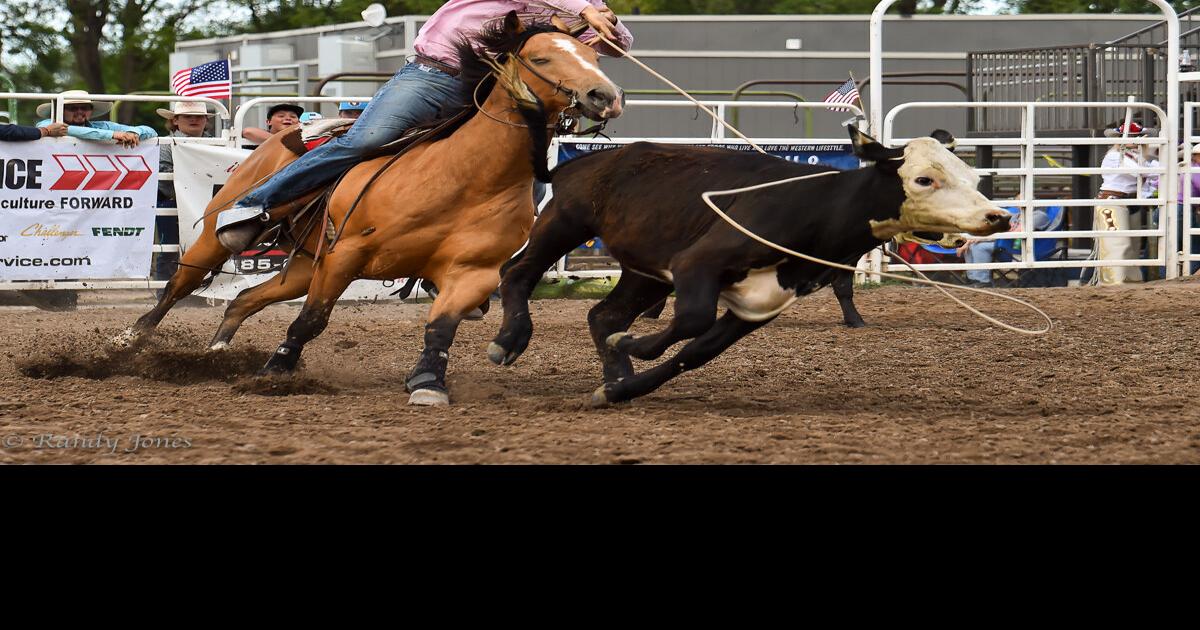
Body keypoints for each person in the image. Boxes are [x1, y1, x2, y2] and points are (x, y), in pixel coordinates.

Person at [215, 0, 633, 253]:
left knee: (521, 176)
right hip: (432, 76)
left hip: (488, 92)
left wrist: (607, 23)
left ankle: (465, 260)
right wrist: (584, 11)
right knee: (369, 138)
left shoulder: (584, 6)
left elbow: (620, 44)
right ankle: (255, 204)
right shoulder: (575, 4)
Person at [155, 101, 215, 283]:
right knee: (171, 248)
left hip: (206, 203)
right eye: (188, 116)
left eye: (198, 116)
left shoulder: (217, 143)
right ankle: (166, 290)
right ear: (175, 121)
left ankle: (197, 290)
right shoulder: (165, 144)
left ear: (205, 120)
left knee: (205, 248)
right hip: (173, 202)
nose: (194, 119)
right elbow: (163, 180)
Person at [1090, 121, 1155, 285]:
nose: (1134, 140)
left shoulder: (1135, 156)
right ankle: (1113, 283)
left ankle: (1131, 282)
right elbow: (1140, 172)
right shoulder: (1115, 156)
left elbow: (1150, 171)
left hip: (1128, 201)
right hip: (1112, 201)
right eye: (1129, 137)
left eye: (1137, 137)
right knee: (1118, 245)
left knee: (1131, 245)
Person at [957, 207, 1050, 288]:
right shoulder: (1015, 216)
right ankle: (973, 279)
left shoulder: (1039, 215)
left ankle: (983, 281)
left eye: (1023, 196)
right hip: (1005, 243)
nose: (1019, 200)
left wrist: (984, 238)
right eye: (1018, 198)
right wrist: (969, 242)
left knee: (980, 247)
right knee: (971, 246)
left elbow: (1016, 233)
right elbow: (998, 231)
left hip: (1017, 247)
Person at [34, 90, 156, 147]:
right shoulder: (47, 124)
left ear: (91, 110)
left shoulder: (104, 126)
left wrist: (133, 133)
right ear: (60, 110)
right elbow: (64, 129)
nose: (80, 112)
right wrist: (112, 135)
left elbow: (150, 131)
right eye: (73, 108)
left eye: (85, 108)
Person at [0, 119, 67, 141]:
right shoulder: (45, 123)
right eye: (72, 108)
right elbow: (10, 131)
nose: (77, 112)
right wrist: (46, 131)